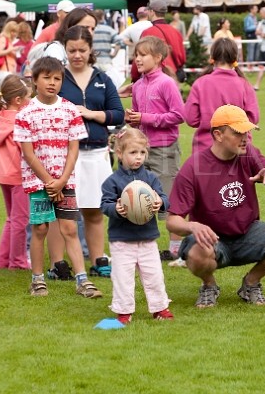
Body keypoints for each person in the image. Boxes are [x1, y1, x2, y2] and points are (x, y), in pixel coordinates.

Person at [166, 104, 265, 308]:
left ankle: (251, 283)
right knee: (196, 255)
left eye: (247, 131)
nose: (245, 137)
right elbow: (172, 220)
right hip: (213, 241)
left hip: (248, 235)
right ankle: (209, 286)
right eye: (238, 132)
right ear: (218, 135)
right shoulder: (194, 167)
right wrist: (192, 226)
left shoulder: (249, 154)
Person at [13, 57, 103, 299]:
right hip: (38, 183)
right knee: (40, 229)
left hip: (67, 181)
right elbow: (27, 152)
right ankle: (38, 279)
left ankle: (82, 280)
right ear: (34, 80)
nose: (52, 83)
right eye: (47, 78)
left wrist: (62, 180)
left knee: (69, 228)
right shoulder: (25, 113)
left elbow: (74, 148)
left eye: (57, 78)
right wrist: (49, 182)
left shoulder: (69, 110)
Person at [59, 25, 124, 278]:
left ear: (90, 50)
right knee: (66, 211)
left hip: (97, 154)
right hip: (67, 155)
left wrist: (91, 114)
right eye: (72, 50)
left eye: (82, 50)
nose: (77, 55)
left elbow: (118, 113)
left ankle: (99, 259)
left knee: (95, 210)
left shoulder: (102, 78)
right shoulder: (59, 77)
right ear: (65, 50)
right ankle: (62, 264)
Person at [99, 128, 174, 324]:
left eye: (142, 152)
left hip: (148, 239)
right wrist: (116, 208)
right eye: (133, 153)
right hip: (122, 241)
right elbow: (104, 205)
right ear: (120, 154)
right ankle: (123, 312)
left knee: (154, 276)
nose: (138, 157)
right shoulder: (112, 181)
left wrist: (160, 203)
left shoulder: (150, 178)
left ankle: (160, 308)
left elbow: (165, 198)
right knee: (123, 279)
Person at [126, 37, 185, 264]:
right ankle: (141, 250)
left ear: (158, 58)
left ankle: (177, 251)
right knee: (138, 201)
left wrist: (145, 118)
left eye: (142, 55)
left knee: (169, 202)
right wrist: (132, 122)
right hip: (142, 151)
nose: (137, 59)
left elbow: (179, 115)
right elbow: (139, 118)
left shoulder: (167, 83)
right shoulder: (138, 85)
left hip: (165, 150)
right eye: (136, 55)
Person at [184, 37, 259, 155]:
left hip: (206, 148)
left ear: (212, 57)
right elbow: (253, 118)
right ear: (235, 57)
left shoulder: (201, 83)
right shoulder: (244, 84)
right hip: (238, 147)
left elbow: (191, 119)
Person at [0, 76, 32, 270]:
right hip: (18, 175)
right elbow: (26, 149)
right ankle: (17, 261)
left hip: (4, 174)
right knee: (20, 220)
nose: (30, 101)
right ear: (18, 100)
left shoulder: (1, 117)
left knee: (12, 218)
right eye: (27, 98)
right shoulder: (19, 121)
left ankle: (2, 260)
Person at [131, 0, 186, 85]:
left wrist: (134, 77)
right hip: (173, 77)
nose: (147, 13)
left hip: (154, 78)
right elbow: (181, 58)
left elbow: (140, 56)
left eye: (148, 11)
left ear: (152, 12)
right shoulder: (175, 32)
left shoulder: (147, 32)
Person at [0, 20, 20, 85]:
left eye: (16, 32)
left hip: (8, 70)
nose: (15, 34)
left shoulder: (8, 40)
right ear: (9, 31)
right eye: (13, 32)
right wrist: (12, 49)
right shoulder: (3, 39)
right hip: (4, 70)